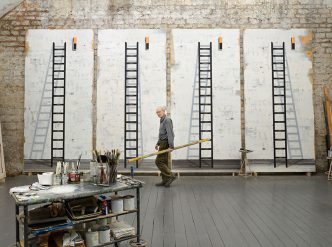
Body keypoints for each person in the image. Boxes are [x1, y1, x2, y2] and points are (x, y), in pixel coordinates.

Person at [155, 106, 177, 187]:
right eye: (157, 112)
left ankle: (171, 175)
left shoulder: (167, 120)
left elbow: (170, 134)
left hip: (165, 143)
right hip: (162, 143)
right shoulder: (162, 120)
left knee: (158, 162)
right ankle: (165, 180)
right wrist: (157, 143)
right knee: (163, 162)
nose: (158, 113)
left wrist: (171, 146)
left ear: (164, 111)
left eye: (159, 112)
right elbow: (162, 134)